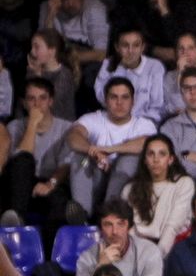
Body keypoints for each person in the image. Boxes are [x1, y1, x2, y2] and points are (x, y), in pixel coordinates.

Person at [66, 77, 157, 217]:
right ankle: (81, 216)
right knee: (80, 158)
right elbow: (73, 137)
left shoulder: (143, 124)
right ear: (105, 100)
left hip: (127, 182)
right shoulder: (93, 119)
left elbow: (147, 143)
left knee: (128, 160)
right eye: (114, 97)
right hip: (96, 178)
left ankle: (110, 214)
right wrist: (94, 152)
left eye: (125, 97)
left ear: (133, 101)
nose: (119, 103)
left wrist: (109, 149)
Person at [75, 198, 163, 276]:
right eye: (108, 225)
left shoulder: (149, 251)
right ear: (100, 229)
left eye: (121, 224)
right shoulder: (87, 258)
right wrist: (100, 267)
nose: (115, 231)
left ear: (129, 227)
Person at [2, 78, 73, 230]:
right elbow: (20, 160)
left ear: (51, 101)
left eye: (42, 98)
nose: (37, 104)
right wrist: (32, 124)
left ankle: (50, 251)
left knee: (58, 202)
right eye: (31, 99)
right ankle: (16, 224)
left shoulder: (66, 128)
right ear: (24, 103)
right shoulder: (14, 126)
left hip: (51, 182)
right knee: (23, 161)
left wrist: (50, 184)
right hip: (19, 186)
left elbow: (66, 164)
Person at [122, 135, 195, 256]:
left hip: (173, 249)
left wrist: (156, 260)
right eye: (151, 154)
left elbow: (172, 228)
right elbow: (128, 229)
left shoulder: (184, 183)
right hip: (138, 250)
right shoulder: (130, 189)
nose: (156, 159)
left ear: (171, 159)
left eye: (162, 154)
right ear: (145, 160)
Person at [94, 27, 166, 124]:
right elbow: (104, 98)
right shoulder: (109, 63)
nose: (130, 50)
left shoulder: (155, 67)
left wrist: (136, 124)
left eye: (136, 45)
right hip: (115, 120)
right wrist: (122, 69)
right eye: (125, 45)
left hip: (145, 123)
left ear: (143, 47)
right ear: (117, 47)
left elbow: (157, 106)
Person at [27, 28, 78, 120]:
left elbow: (48, 105)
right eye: (32, 47)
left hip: (60, 124)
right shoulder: (32, 70)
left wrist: (38, 75)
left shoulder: (64, 75)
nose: (32, 51)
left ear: (51, 51)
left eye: (36, 47)